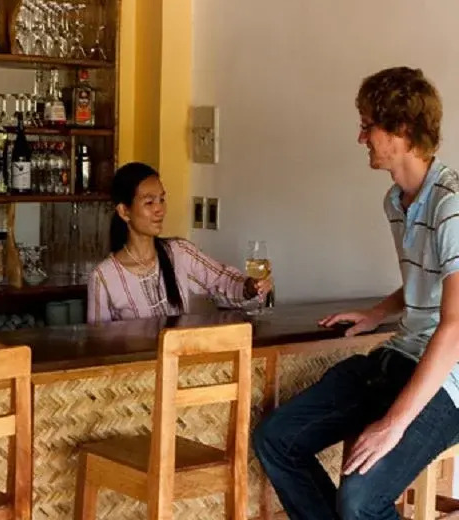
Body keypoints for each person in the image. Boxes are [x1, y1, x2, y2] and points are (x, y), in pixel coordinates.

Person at [253, 67, 459, 520]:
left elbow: (456, 326)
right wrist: (376, 312)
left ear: (402, 131)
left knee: (360, 502)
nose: (360, 137)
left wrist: (393, 425)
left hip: (448, 382)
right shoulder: (397, 201)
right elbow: (426, 281)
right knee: (276, 439)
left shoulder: (452, 206)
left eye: (368, 126)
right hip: (399, 360)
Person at [86, 162, 273, 322]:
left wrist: (249, 287)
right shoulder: (103, 277)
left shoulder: (179, 252)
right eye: (149, 203)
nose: (160, 209)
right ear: (124, 211)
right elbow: (97, 342)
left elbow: (221, 281)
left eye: (162, 199)